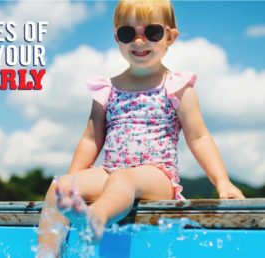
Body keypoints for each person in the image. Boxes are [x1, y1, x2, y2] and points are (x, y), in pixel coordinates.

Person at [36, 0, 245, 256]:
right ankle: (46, 254)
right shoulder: (107, 89)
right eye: (128, 33)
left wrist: (222, 182)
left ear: (170, 36)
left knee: (124, 178)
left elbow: (199, 137)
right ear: (116, 38)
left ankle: (96, 220)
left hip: (157, 175)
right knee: (60, 186)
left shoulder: (176, 86)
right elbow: (91, 139)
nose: (139, 41)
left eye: (152, 32)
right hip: (111, 172)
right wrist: (73, 186)